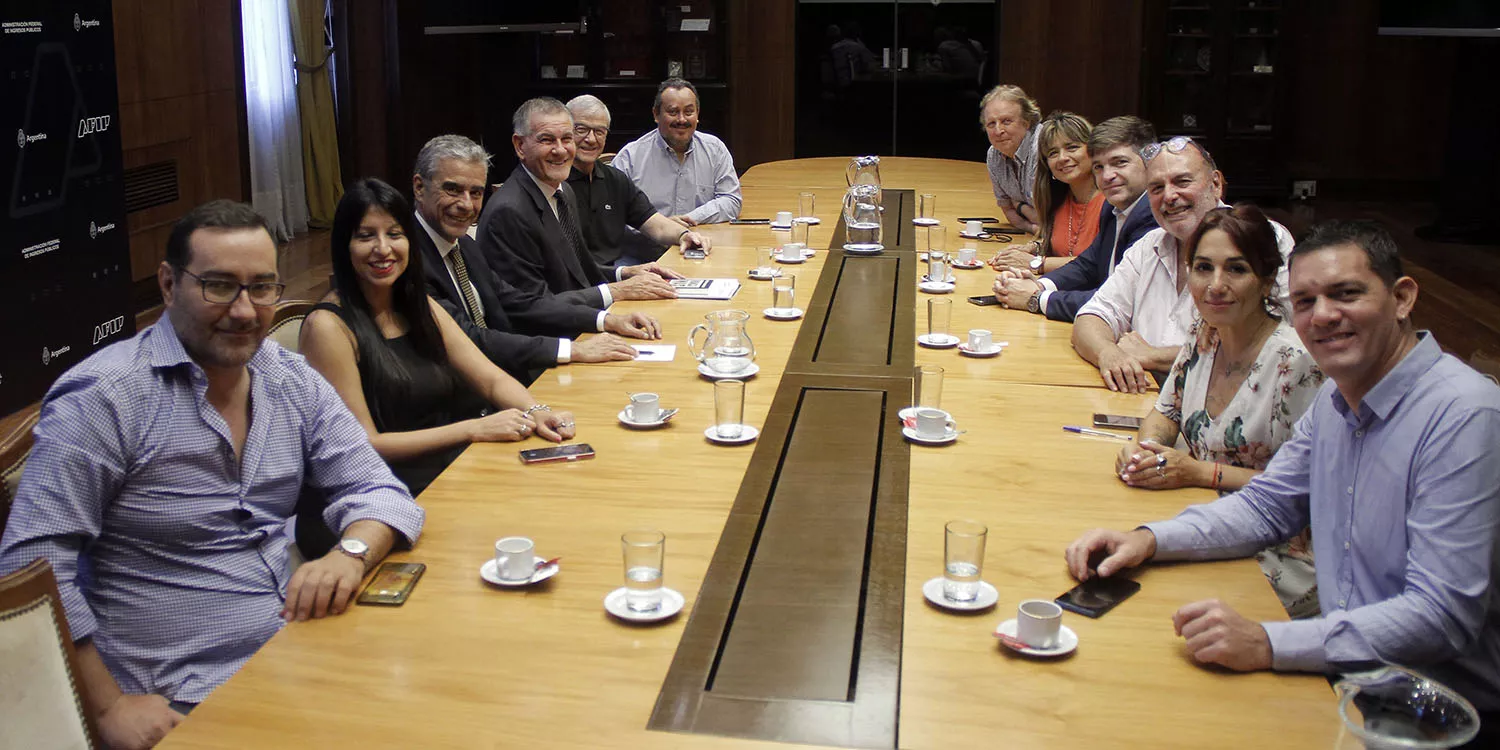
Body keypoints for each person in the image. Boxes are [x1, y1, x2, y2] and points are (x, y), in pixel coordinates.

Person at [0, 200, 425, 748]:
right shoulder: (106, 399)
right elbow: (31, 566)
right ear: (168, 284)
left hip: (297, 649)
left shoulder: (288, 377)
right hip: (180, 693)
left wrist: (351, 553)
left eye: (262, 287)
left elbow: (377, 488)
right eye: (219, 286)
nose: (245, 311)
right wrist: (108, 707)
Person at [1064, 220, 1500, 720]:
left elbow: (1440, 616)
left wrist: (1267, 642)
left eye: (1346, 294)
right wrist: (1147, 540)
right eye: (1307, 301)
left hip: (1434, 714)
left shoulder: (1464, 416)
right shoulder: (1339, 397)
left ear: (1402, 298)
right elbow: (1267, 507)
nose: (1323, 315)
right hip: (1346, 676)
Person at [301, 178, 578, 500]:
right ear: (343, 245)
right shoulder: (328, 328)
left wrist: (536, 411)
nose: (383, 248)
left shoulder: (419, 304)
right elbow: (365, 443)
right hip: (381, 493)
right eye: (366, 236)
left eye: (394, 234)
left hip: (450, 467)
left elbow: (490, 380)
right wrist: (473, 429)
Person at [1114, 204, 1326, 618]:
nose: (1215, 285)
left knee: (1149, 607)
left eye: (1236, 269)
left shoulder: (1297, 363)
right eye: (1203, 268)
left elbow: (1305, 490)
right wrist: (1148, 450)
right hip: (1204, 518)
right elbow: (1166, 411)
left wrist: (1199, 473)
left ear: (1267, 280)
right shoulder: (1205, 332)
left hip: (1278, 552)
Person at [410, 134, 663, 384]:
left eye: (475, 193)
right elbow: (470, 338)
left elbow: (520, 302)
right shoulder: (409, 261)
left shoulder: (464, 244)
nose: (466, 204)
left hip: (507, 375)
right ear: (419, 188)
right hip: (463, 393)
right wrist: (572, 350)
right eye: (453, 190)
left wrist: (607, 320)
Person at [1071, 136, 1293, 393]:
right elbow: (1092, 316)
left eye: (1182, 181)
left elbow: (1272, 344)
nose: (1169, 196)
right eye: (1156, 188)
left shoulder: (1263, 237)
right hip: (1142, 398)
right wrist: (1109, 354)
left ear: (1215, 184)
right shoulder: (1149, 245)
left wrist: (1153, 356)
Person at [478, 98, 681, 307]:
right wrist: (613, 299)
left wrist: (625, 273)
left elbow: (576, 270)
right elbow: (531, 306)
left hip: (577, 310)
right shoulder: (508, 212)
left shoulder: (562, 192)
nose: (560, 150)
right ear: (520, 146)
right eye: (547, 140)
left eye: (566, 139)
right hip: (555, 324)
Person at [992, 116, 1160, 321]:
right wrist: (1039, 285)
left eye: (1120, 163)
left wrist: (1037, 298)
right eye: (1099, 167)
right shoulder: (1114, 207)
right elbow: (1088, 265)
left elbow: (1119, 301)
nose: (1108, 176)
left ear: (1149, 162)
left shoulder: (1153, 217)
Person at [564, 95, 712, 267]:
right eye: (581, 130)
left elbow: (655, 224)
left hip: (615, 271)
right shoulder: (556, 184)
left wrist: (684, 235)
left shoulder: (615, 179)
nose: (591, 139)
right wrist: (623, 274)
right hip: (580, 278)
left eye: (599, 131)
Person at [612, 78, 743, 226]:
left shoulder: (715, 150)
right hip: (647, 240)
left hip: (701, 238)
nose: (681, 119)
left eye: (689, 112)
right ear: (656, 114)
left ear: (697, 114)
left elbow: (731, 200)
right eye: (673, 112)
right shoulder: (630, 158)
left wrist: (689, 219)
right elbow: (612, 214)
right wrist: (660, 227)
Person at [988, 111, 1106, 275]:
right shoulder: (1058, 198)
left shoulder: (1111, 203)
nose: (1062, 158)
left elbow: (1102, 263)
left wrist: (1037, 264)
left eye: (1072, 147)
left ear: (1093, 151)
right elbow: (1062, 246)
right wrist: (1034, 248)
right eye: (1053, 153)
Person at [980, 84, 1042, 234]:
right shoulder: (994, 155)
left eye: (1006, 121)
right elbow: (1008, 210)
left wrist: (1019, 206)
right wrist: (1031, 228)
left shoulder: (1042, 147)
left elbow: (1049, 219)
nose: (998, 131)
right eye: (991, 124)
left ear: (1026, 123)